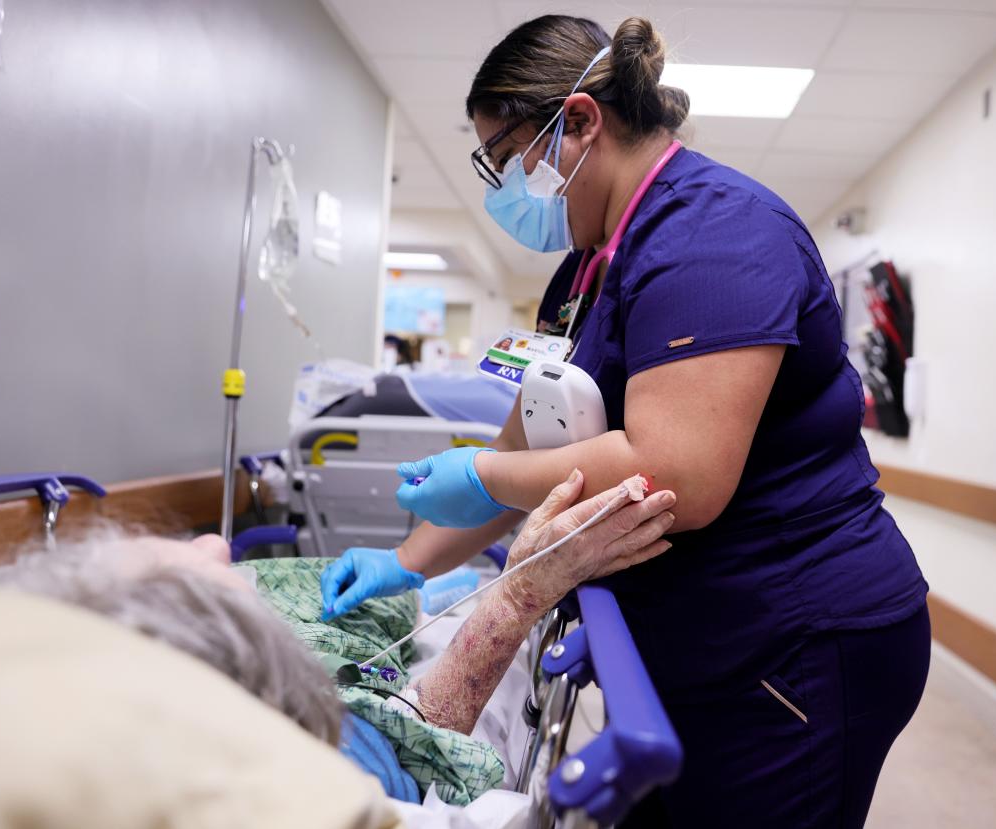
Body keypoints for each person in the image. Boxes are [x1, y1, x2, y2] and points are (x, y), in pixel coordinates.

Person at [319, 14, 931, 828]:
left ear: (578, 122)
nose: (500, 187)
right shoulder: (584, 269)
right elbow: (527, 448)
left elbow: (680, 473)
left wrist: (482, 473)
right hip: (694, 636)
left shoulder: (717, 235)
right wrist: (407, 560)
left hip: (797, 636)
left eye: (504, 159)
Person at [0, 472, 674, 825]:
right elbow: (417, 729)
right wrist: (517, 594)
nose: (215, 541)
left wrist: (413, 568)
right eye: (208, 575)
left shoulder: (46, 646)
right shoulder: (284, 739)